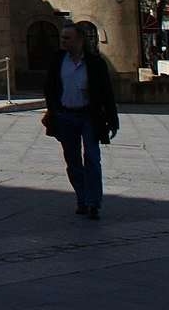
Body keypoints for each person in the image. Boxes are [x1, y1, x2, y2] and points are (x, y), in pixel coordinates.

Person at [44, 21, 119, 220]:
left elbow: (106, 92)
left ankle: (94, 202)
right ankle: (82, 198)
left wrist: (112, 119)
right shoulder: (58, 60)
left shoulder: (95, 63)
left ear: (79, 40)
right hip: (65, 115)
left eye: (67, 38)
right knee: (73, 160)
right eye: (62, 38)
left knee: (92, 158)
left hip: (89, 115)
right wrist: (53, 110)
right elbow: (50, 86)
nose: (63, 41)